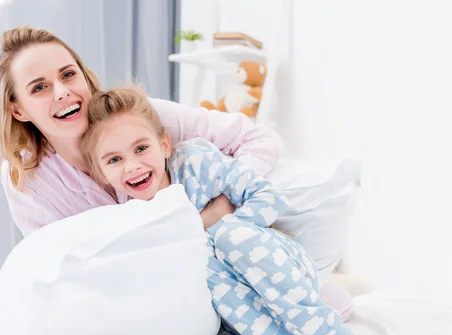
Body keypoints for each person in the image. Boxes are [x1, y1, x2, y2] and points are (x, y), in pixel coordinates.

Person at [0, 26, 351, 319]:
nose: (63, 92)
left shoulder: (140, 119)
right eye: (39, 87)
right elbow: (64, 268)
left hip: (223, 268)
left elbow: (257, 138)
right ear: (18, 110)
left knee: (325, 306)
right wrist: (196, 224)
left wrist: (228, 198)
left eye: (68, 74)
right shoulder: (25, 181)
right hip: (142, 300)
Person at [78, 85, 392, 335]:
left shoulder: (196, 164)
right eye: (114, 160)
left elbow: (268, 197)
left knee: (227, 237)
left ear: (163, 145)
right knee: (205, 269)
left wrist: (218, 229)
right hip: (239, 307)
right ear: (102, 174)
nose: (131, 166)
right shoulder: (131, 219)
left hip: (279, 264)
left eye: (141, 148)